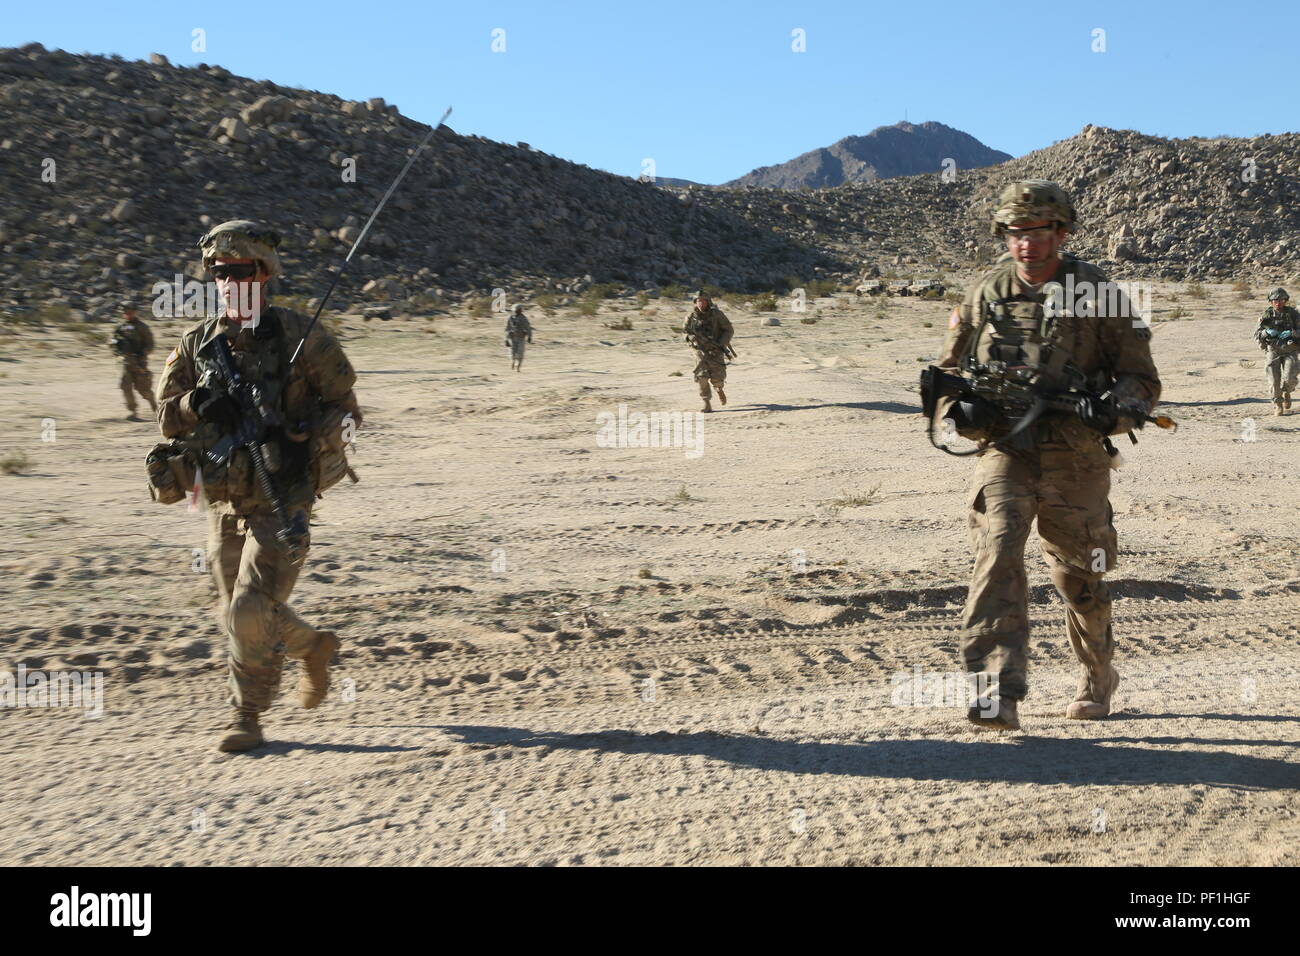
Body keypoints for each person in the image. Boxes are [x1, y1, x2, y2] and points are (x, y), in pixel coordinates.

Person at [935, 181, 1161, 730]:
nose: (1026, 244)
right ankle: (997, 692)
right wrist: (957, 407)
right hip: (1006, 448)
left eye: (1038, 232)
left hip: (1076, 454)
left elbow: (1141, 377)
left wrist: (1116, 410)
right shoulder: (986, 291)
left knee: (1078, 575)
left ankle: (1097, 674)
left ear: (1061, 232)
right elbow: (948, 368)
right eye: (1016, 233)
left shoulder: (1096, 291)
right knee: (997, 554)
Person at [155, 220, 362, 752]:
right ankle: (313, 645)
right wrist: (194, 404)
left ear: (264, 274)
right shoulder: (198, 343)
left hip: (283, 495)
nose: (229, 281)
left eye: (240, 271)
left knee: (249, 610)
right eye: (220, 273)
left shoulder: (302, 336)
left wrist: (307, 436)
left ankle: (246, 716)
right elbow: (165, 416)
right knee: (240, 613)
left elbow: (347, 409)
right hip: (223, 497)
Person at [683, 290, 733, 412]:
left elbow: (728, 330)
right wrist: (690, 338)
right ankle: (706, 402)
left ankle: (719, 389)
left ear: (708, 302)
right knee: (701, 377)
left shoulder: (717, 314)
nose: (701, 303)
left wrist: (721, 343)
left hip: (716, 349)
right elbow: (685, 331)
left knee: (717, 378)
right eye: (698, 301)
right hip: (699, 351)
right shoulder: (690, 316)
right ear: (695, 302)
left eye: (703, 301)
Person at [1253, 288, 1300, 415]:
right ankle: (1278, 404)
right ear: (1271, 301)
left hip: (1291, 350)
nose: (1278, 303)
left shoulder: (1293, 314)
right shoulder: (1265, 316)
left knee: (1290, 378)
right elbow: (1257, 334)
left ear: (1285, 300)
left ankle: (1287, 392)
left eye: (1281, 300)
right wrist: (1265, 332)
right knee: (1273, 380)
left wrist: (1292, 333)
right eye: (1275, 300)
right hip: (1273, 350)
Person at [112, 302, 157, 421]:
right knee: (125, 385)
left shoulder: (142, 327)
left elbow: (150, 345)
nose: (128, 315)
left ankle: (155, 406)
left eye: (130, 312)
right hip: (124, 362)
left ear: (135, 312)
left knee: (143, 389)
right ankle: (133, 411)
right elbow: (112, 343)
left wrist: (142, 354)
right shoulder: (120, 328)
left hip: (139, 362)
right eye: (125, 313)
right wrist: (117, 349)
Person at [505, 304, 533, 371]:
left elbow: (528, 327)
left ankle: (518, 366)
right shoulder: (511, 318)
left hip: (521, 338)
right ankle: (513, 361)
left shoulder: (523, 318)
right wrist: (506, 339)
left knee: (520, 352)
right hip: (513, 337)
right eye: (517, 310)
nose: (518, 311)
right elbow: (507, 328)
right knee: (512, 352)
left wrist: (529, 336)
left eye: (519, 310)